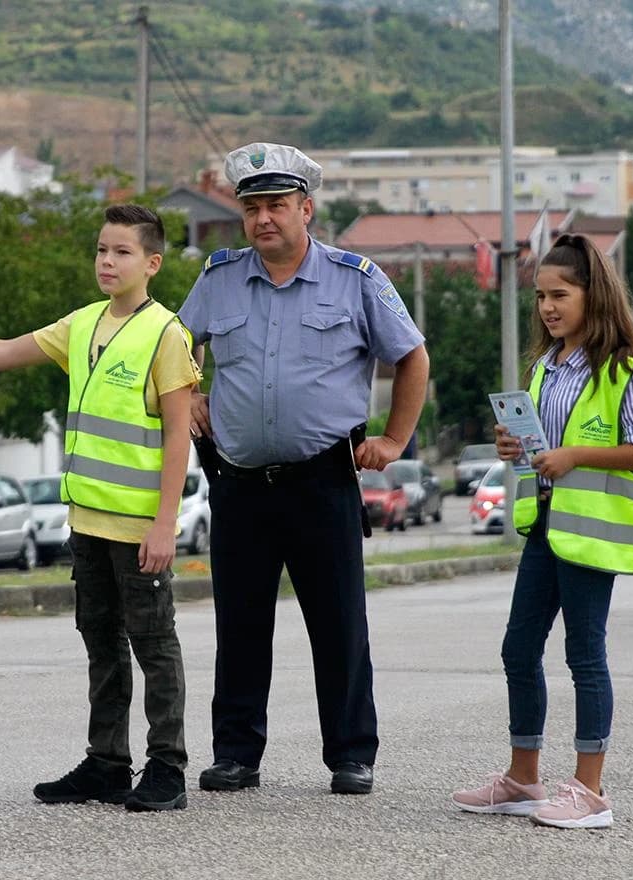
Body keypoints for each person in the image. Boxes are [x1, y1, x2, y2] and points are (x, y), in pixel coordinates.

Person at [0, 204, 200, 813]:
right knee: (101, 641)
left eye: (122, 252)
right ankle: (106, 765)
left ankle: (168, 767)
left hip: (138, 527)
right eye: (101, 249)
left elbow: (180, 434)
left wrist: (164, 524)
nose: (107, 260)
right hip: (86, 523)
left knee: (154, 644)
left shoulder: (166, 334)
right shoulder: (81, 325)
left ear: (151, 264)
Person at [178, 142, 429, 796]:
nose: (264, 219)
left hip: (323, 480)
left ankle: (351, 754)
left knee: (339, 623)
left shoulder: (356, 278)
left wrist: (396, 439)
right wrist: (192, 392)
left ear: (307, 209)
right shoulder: (219, 278)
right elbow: (174, 349)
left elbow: (411, 356)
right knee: (240, 625)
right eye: (253, 206)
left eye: (278, 205)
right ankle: (235, 754)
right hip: (238, 481)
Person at [452, 232, 633, 829]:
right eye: (541, 297)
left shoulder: (620, 369)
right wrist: (512, 446)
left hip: (591, 536)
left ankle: (590, 791)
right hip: (545, 528)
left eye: (560, 295)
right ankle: (523, 779)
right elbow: (539, 449)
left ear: (591, 297)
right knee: (518, 649)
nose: (547, 307)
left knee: (584, 655)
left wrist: (575, 456)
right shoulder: (544, 367)